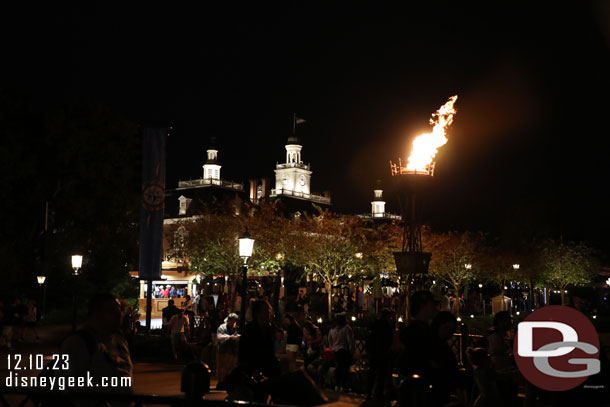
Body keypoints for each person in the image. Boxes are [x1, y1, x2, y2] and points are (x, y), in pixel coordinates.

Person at [57, 293, 132, 393]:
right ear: (96, 314)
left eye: (119, 309)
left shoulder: (120, 341)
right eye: (112, 310)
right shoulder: (78, 343)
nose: (119, 314)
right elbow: (69, 385)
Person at [397, 290, 439, 378]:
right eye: (432, 304)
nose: (435, 308)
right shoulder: (417, 331)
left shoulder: (415, 330)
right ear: (423, 306)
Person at [238, 299, 280, 378]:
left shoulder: (268, 329)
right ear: (258, 313)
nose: (268, 313)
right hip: (253, 371)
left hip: (267, 370)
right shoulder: (249, 330)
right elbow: (245, 352)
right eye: (265, 311)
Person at [429, 311, 459, 406]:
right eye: (446, 328)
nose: (448, 332)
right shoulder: (433, 344)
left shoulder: (443, 344)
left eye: (451, 329)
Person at [366, 308, 395, 400]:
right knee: (381, 374)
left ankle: (369, 392)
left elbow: (370, 339)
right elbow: (388, 340)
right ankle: (378, 393)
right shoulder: (386, 326)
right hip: (382, 354)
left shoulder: (374, 325)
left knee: (373, 373)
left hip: (374, 353)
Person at [327, 314, 355, 392]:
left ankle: (337, 385)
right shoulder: (346, 328)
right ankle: (343, 386)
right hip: (344, 351)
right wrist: (352, 350)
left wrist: (332, 348)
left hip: (336, 351)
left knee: (338, 368)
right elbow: (350, 341)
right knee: (345, 369)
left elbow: (330, 340)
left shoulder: (332, 329)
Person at [216, 313, 240, 386]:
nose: (234, 323)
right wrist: (230, 337)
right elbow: (219, 337)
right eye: (232, 321)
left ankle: (226, 381)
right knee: (222, 366)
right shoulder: (222, 327)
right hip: (223, 349)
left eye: (235, 321)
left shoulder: (235, 328)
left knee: (229, 366)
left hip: (232, 350)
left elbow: (237, 336)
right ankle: (221, 381)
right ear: (229, 320)